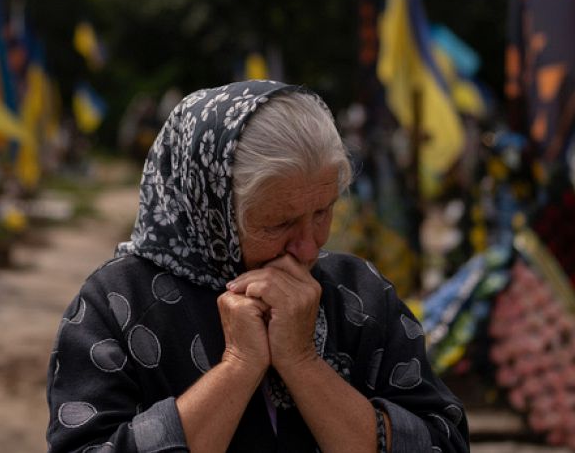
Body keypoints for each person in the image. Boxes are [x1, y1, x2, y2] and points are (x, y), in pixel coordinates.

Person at [47, 80, 469, 452]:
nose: (308, 248)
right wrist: (239, 365)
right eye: (280, 223)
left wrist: (302, 362)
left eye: (323, 212)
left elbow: (442, 441)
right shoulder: (118, 304)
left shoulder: (358, 294)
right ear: (211, 211)